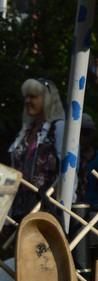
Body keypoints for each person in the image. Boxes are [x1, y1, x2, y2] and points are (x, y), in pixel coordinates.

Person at [7, 78, 66, 220]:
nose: (27, 101)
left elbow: (68, 170)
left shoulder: (58, 128)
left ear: (47, 99)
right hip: (19, 209)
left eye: (33, 96)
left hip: (46, 207)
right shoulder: (25, 132)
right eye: (26, 97)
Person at [77, 114, 98, 206]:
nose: (82, 137)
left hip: (97, 206)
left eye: (86, 133)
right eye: (79, 132)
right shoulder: (69, 161)